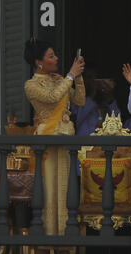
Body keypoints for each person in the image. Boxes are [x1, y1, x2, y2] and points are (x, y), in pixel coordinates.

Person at [24, 38, 86, 236]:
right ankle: (46, 240)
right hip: (48, 139)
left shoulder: (60, 79)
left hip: (66, 139)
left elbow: (80, 100)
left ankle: (65, 241)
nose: (56, 58)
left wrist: (77, 77)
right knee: (49, 192)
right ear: (38, 62)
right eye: (51, 56)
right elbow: (52, 98)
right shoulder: (31, 85)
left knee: (65, 191)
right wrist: (70, 75)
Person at [71, 69, 121, 136]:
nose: (93, 81)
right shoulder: (76, 102)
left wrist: (109, 95)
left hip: (104, 144)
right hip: (83, 144)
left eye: (96, 78)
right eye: (90, 78)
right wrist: (92, 94)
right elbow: (77, 121)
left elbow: (118, 123)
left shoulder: (107, 104)